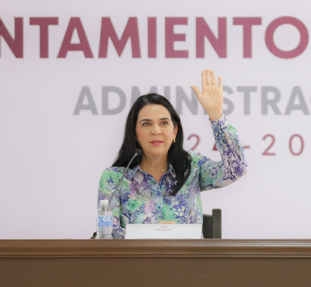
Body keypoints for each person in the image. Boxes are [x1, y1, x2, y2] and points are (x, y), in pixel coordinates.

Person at [97, 69, 247, 238]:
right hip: (137, 257)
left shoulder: (192, 167)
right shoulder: (114, 179)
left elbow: (237, 169)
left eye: (164, 123)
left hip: (189, 256)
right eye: (146, 124)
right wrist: (156, 233)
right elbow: (107, 235)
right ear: (134, 133)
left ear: (175, 131)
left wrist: (216, 116)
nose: (156, 131)